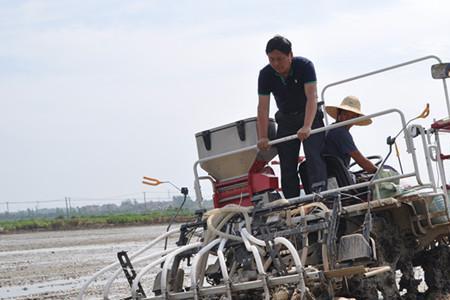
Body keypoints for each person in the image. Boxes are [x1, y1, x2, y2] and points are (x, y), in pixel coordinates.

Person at [257, 35, 327, 198]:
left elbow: (312, 97)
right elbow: (262, 108)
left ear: (290, 55)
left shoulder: (305, 66)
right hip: (286, 120)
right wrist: (263, 136)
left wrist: (307, 126)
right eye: (271, 59)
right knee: (287, 164)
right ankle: (292, 202)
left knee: (313, 154)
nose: (276, 64)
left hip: (309, 116)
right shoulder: (265, 74)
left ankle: (321, 195)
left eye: (280, 59)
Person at [324, 96, 377, 173]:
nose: (348, 119)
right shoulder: (341, 132)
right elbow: (360, 160)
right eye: (346, 114)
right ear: (339, 114)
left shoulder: (329, 129)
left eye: (352, 117)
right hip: (335, 178)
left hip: (330, 174)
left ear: (356, 119)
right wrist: (377, 171)